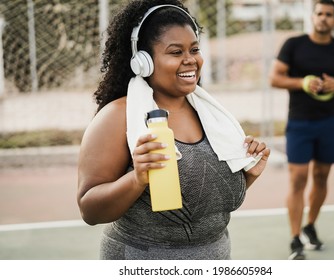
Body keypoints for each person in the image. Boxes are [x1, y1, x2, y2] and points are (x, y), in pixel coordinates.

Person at [77, 0, 270, 260]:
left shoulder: (211, 115)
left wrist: (249, 174)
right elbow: (90, 210)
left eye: (194, 49)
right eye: (176, 52)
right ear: (143, 61)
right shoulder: (117, 116)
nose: (190, 60)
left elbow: (203, 202)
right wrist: (136, 179)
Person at [269, 0, 334, 260]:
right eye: (320, 13)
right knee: (298, 179)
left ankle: (310, 226)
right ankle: (295, 238)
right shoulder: (294, 44)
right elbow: (275, 78)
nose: (324, 18)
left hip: (329, 122)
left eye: (329, 15)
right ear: (313, 16)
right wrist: (303, 82)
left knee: (321, 177)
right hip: (299, 123)